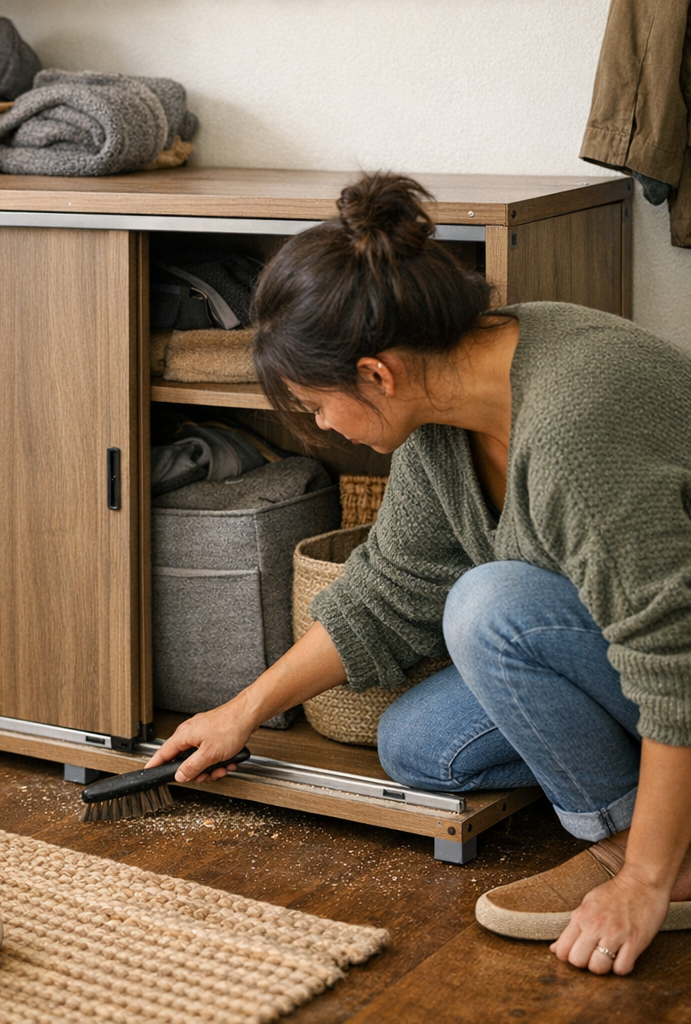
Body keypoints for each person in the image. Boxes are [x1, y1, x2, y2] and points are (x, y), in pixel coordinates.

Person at [145, 172, 691, 976]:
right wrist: (242, 712)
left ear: (378, 372)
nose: (322, 425)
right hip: (627, 648)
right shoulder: (445, 414)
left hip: (675, 654)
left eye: (316, 404)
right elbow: (388, 589)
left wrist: (642, 883)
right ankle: (654, 814)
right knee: (420, 746)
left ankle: (650, 863)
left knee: (489, 604)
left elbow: (673, 657)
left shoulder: (574, 422)